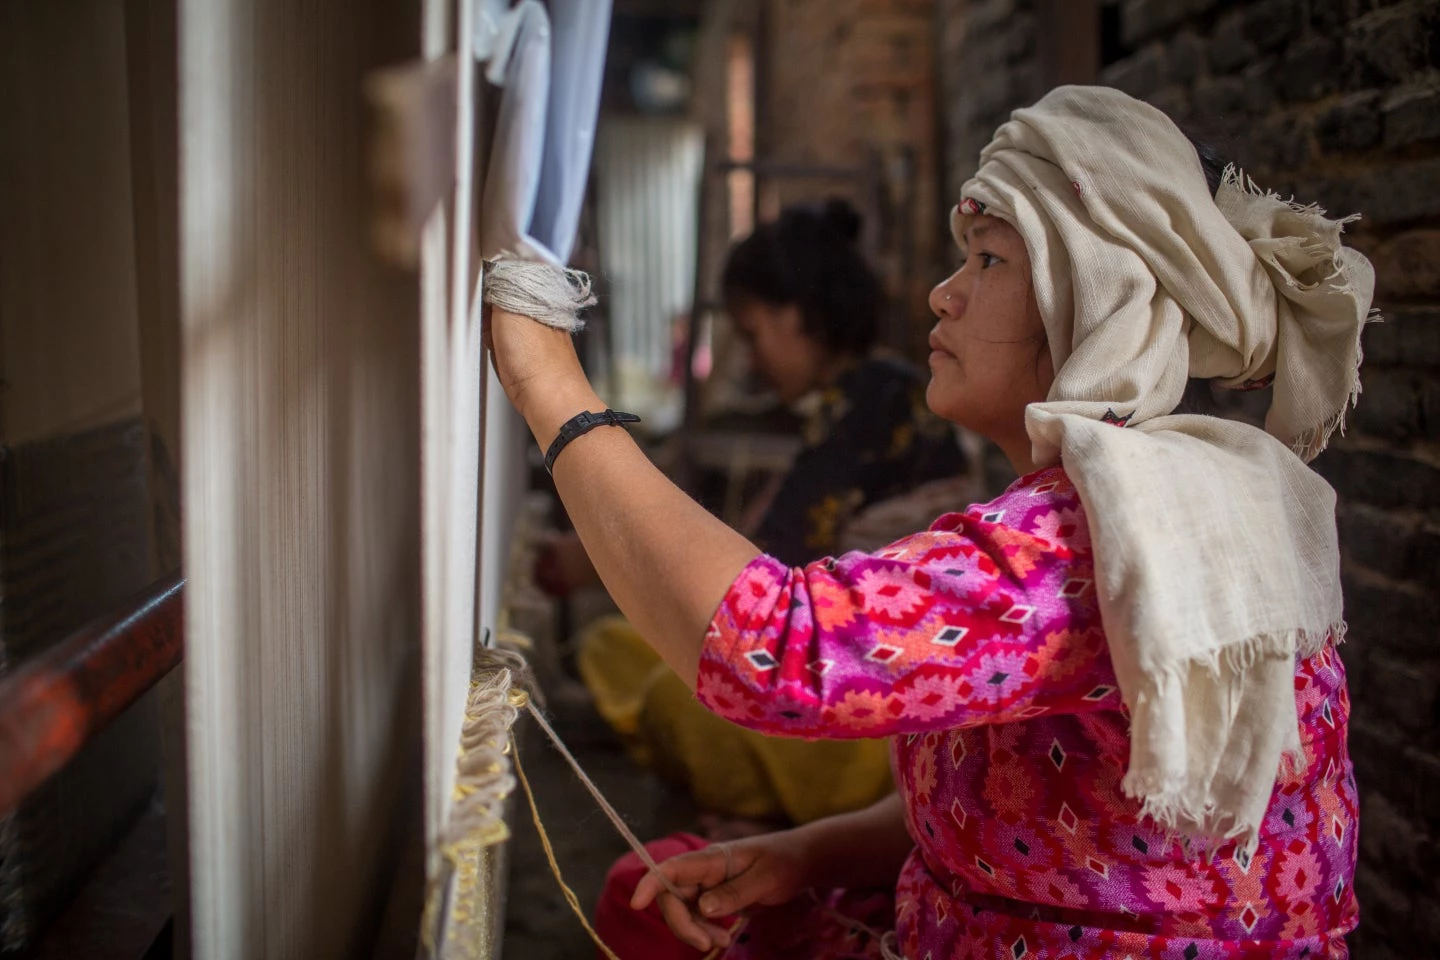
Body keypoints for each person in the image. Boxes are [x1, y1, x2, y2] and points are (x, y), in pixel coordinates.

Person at [489, 86, 1366, 959]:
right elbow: (1011, 806)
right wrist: (804, 855)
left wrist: (548, 381)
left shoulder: (1096, 535)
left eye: (988, 260)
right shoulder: (1166, 493)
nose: (944, 295)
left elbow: (776, 649)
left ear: (1097, 300)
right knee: (656, 892)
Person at [547, 199, 969, 830]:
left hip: (881, 706)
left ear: (795, 315)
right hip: (844, 663)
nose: (749, 359)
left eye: (751, 334)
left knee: (675, 694)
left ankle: (755, 805)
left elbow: (768, 578)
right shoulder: (863, 397)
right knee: (617, 648)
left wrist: (605, 550)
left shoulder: (871, 404)